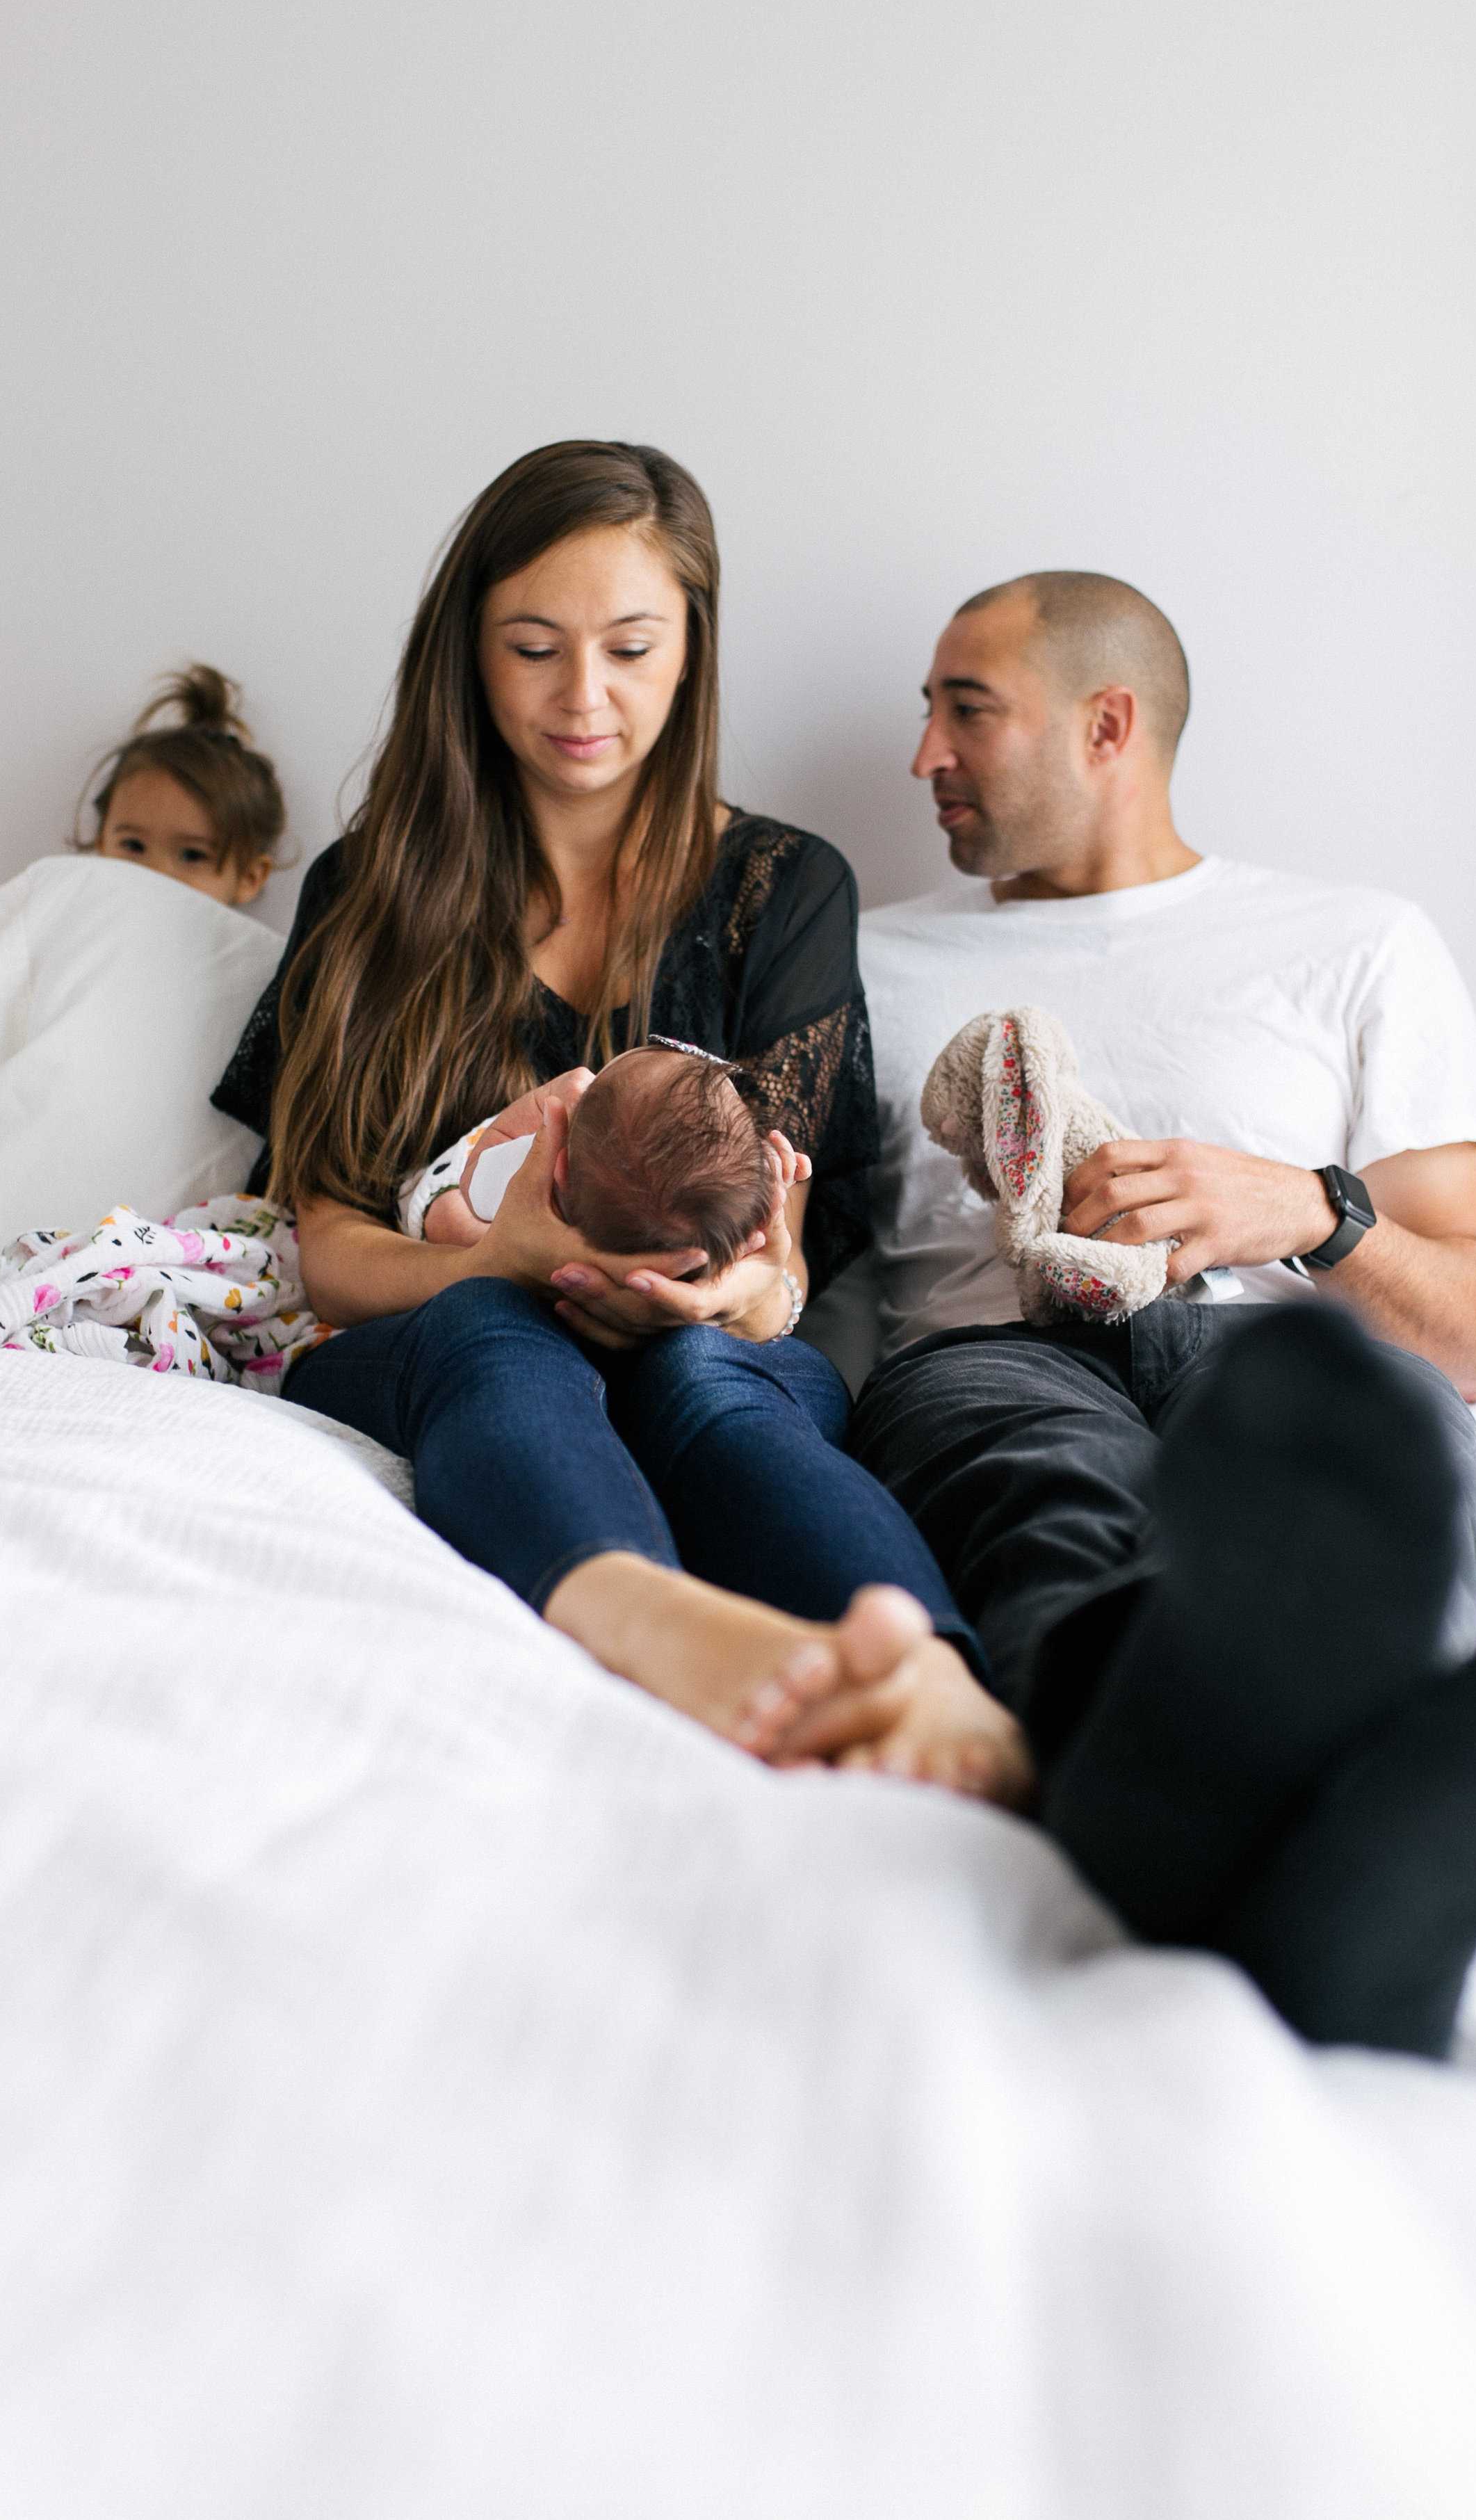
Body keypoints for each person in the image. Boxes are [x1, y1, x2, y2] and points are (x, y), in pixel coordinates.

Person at [211, 441, 1030, 1803]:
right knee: (493, 1331)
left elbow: (788, 1256)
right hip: (426, 1331)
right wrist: (496, 1261)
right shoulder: (369, 887)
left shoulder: (782, 888)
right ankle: (650, 1624)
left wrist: (733, 1300)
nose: (581, 699)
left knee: (710, 1385)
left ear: (689, 655)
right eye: (532, 647)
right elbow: (327, 1244)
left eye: (630, 650)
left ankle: (930, 1679)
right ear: (467, 653)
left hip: (721, 1338)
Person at [828, 568, 1476, 2053]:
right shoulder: (868, 962)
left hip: (1282, 1359)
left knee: (1374, 1453)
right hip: (991, 1356)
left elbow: (1473, 1337)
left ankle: (1205, 1774)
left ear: (1106, 725)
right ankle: (1358, 1855)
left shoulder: (1352, 942)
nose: (922, 759)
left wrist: (1309, 1210)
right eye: (923, 714)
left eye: (965, 710)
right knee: (1040, 1503)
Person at [0, 663, 286, 1101]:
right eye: (133, 845)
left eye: (192, 855)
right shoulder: (60, 942)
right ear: (101, 845)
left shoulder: (252, 991)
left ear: (249, 877)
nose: (155, 875)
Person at [398, 1040, 774, 1273]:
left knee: (445, 1213)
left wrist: (546, 1106)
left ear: (558, 1168)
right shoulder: (693, 1252)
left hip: (455, 1209)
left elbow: (474, 1180)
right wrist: (766, 1181)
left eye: (594, 1087)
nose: (584, 1077)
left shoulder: (530, 1175)